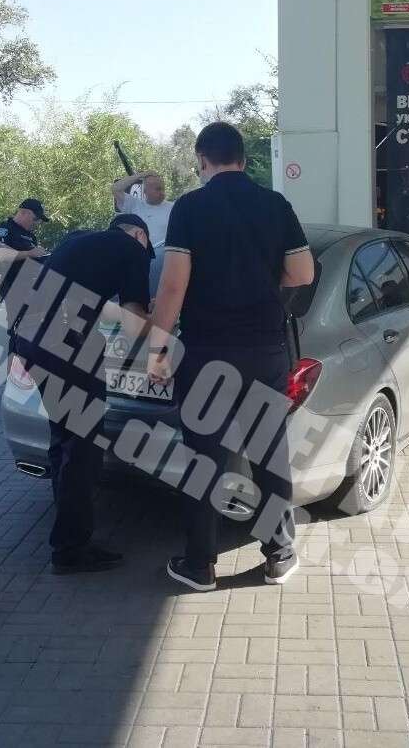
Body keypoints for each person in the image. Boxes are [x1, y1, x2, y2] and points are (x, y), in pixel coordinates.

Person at [145, 121, 315, 592]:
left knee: (204, 459)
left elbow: (174, 284)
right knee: (269, 455)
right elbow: (302, 272)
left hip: (207, 352)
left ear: (202, 160)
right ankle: (279, 556)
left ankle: (199, 566)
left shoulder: (191, 208)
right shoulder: (275, 204)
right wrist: (262, 278)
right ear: (242, 158)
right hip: (265, 348)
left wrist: (157, 346)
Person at [11, 214, 153, 574]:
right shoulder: (131, 249)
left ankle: (67, 525)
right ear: (140, 234)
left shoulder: (80, 240)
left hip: (29, 339)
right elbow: (135, 317)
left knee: (64, 436)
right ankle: (71, 548)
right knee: (85, 445)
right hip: (65, 343)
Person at [112, 171, 173, 295]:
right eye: (157, 189)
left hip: (166, 263)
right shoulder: (134, 205)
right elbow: (115, 188)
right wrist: (141, 175)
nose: (161, 192)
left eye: (162, 188)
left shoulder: (174, 207)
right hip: (141, 263)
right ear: (145, 191)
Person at [0, 198, 49, 303]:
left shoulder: (31, 236)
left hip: (33, 287)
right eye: (35, 219)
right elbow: (1, 254)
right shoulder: (5, 228)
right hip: (13, 286)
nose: (37, 223)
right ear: (24, 213)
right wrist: (30, 253)